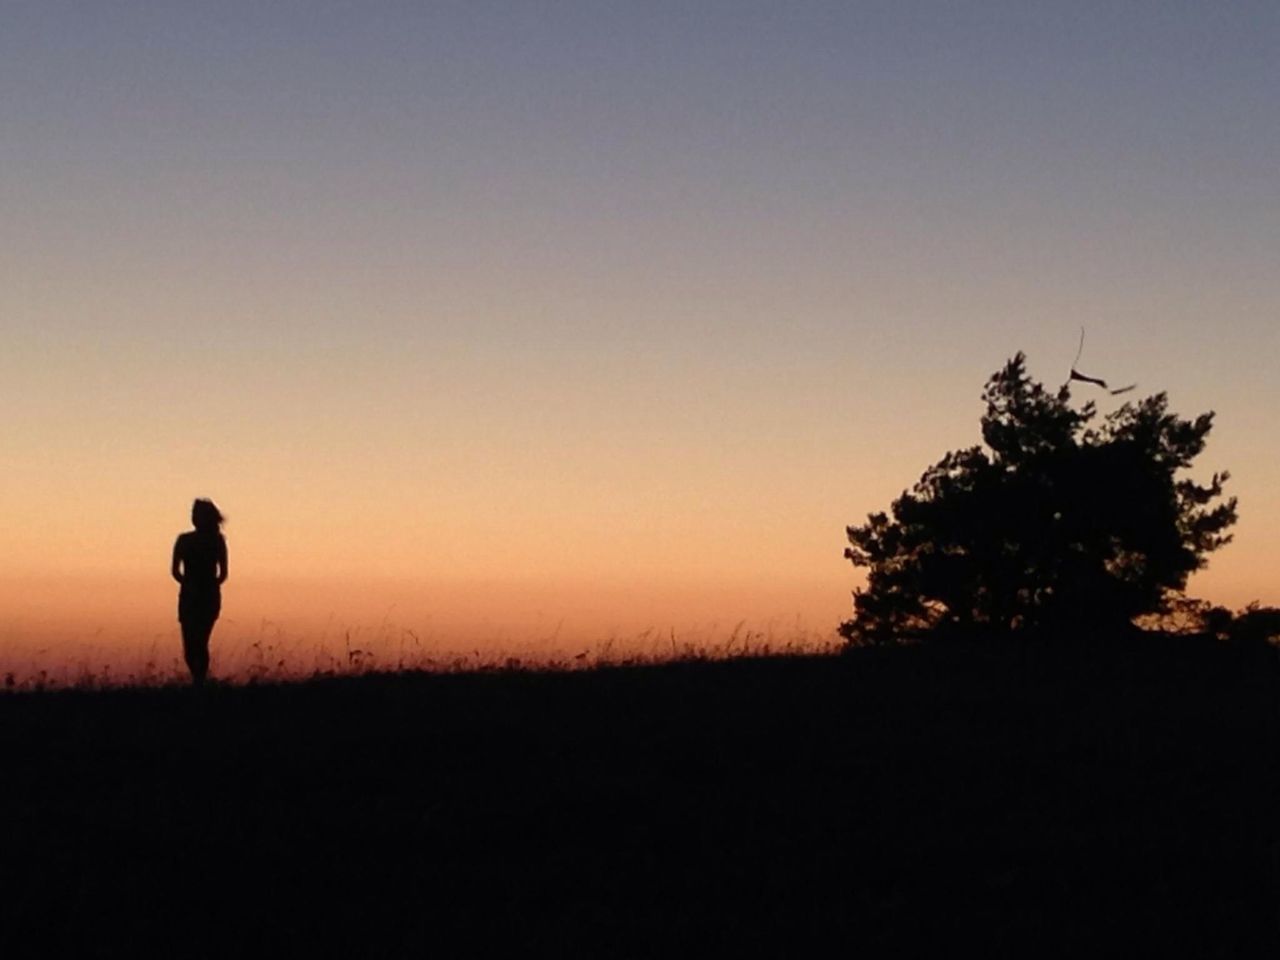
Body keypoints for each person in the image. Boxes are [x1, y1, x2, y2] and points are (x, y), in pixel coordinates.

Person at [171, 499, 228, 687]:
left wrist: (208, 587)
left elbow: (223, 573)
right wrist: (189, 585)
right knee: (189, 646)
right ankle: (198, 680)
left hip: (207, 597)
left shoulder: (217, 541)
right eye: (193, 514)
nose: (194, 518)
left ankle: (199, 682)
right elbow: (175, 571)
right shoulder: (184, 540)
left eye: (198, 514)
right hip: (188, 597)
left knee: (200, 642)